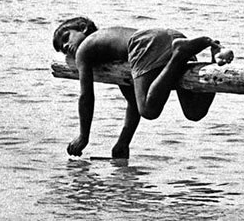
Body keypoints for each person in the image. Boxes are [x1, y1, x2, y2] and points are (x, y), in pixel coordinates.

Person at [52, 17, 232, 158]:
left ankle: (179, 54)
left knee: (148, 109)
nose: (66, 47)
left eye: (66, 38)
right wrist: (123, 142)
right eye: (62, 49)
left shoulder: (85, 49)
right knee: (194, 112)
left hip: (146, 42)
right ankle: (214, 62)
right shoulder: (111, 51)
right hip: (170, 37)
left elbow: (86, 97)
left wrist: (84, 137)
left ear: (83, 27)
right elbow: (132, 101)